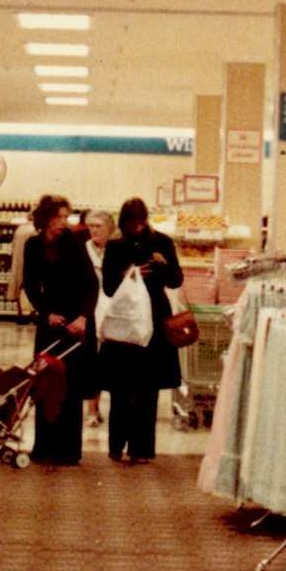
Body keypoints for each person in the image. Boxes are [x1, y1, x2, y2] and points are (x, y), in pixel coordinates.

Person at [99, 197, 183, 465]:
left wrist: (163, 264)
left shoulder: (162, 242)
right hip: (126, 321)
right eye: (131, 222)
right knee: (121, 388)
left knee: (148, 389)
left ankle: (142, 449)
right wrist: (129, 274)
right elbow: (110, 287)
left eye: (141, 221)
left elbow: (175, 279)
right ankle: (116, 446)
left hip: (156, 319)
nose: (137, 227)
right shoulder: (115, 247)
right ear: (124, 222)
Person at [21, 195, 98, 468]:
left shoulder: (74, 244)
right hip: (50, 322)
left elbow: (91, 284)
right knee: (45, 382)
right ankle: (43, 447)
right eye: (60, 217)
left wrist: (83, 318)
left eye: (67, 217)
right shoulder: (32, 246)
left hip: (76, 324)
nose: (64, 223)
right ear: (46, 218)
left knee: (71, 386)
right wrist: (45, 313)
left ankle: (68, 451)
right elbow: (30, 285)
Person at [79, 210, 114, 427]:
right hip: (91, 309)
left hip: (114, 309)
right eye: (90, 226)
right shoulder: (83, 250)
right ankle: (92, 409)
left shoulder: (117, 250)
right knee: (93, 360)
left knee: (109, 361)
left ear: (110, 228)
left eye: (98, 226)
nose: (94, 230)